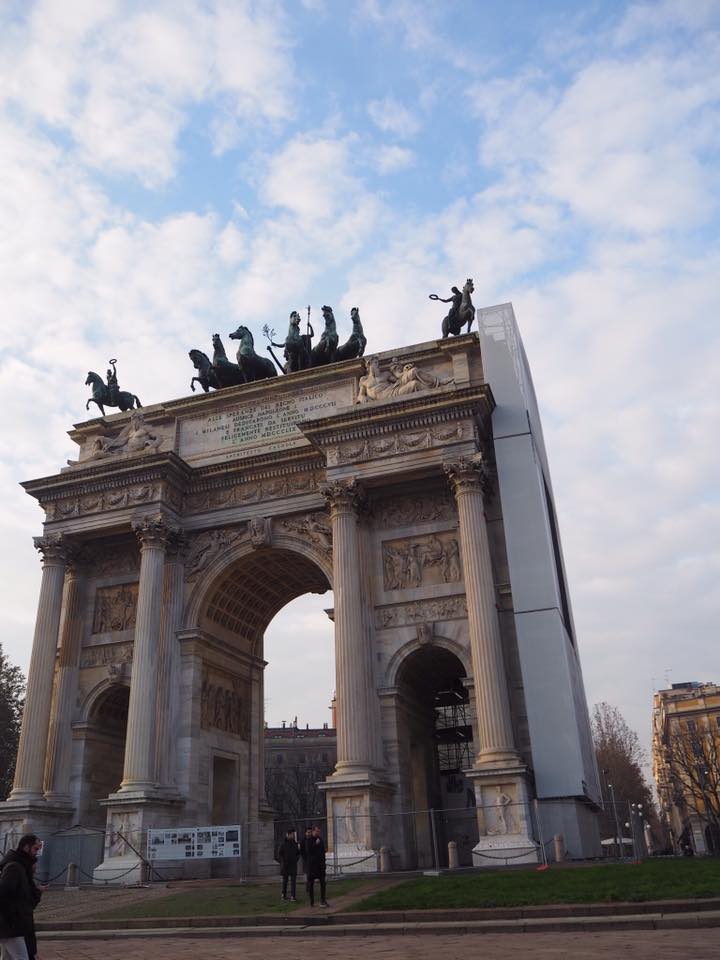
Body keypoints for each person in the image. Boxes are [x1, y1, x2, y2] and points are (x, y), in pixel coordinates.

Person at [0, 834, 43, 960]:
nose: (37, 853)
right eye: (35, 849)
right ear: (26, 847)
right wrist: (12, 919)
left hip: (15, 925)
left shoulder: (22, 867)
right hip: (11, 926)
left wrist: (37, 891)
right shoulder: (14, 867)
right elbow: (3, 895)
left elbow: (25, 900)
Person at [303, 824, 328, 907]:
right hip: (312, 866)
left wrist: (324, 863)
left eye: (319, 831)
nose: (318, 833)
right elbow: (309, 851)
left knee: (323, 883)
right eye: (316, 831)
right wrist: (315, 844)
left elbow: (322, 852)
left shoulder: (320, 839)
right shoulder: (309, 840)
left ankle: (323, 900)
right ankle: (312, 901)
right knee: (311, 884)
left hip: (320, 866)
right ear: (313, 831)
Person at [277, 829, 300, 902]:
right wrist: (283, 861)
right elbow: (280, 854)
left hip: (293, 865)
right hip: (285, 865)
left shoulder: (295, 844)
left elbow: (298, 853)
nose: (293, 836)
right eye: (292, 834)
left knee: (293, 881)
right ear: (288, 835)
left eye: (293, 834)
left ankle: (293, 896)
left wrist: (295, 859)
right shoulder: (283, 844)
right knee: (285, 881)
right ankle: (283, 895)